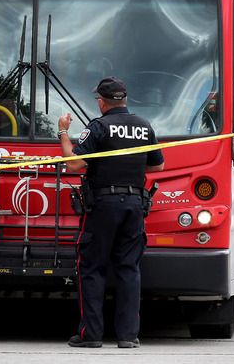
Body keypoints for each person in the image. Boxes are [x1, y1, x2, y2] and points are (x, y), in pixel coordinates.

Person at [58, 76, 164, 349]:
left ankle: (90, 335)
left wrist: (62, 133)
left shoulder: (98, 127)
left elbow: (74, 164)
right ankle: (128, 336)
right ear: (124, 100)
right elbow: (157, 167)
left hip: (104, 205)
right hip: (134, 205)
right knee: (129, 268)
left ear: (102, 102)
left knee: (92, 268)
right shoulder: (144, 126)